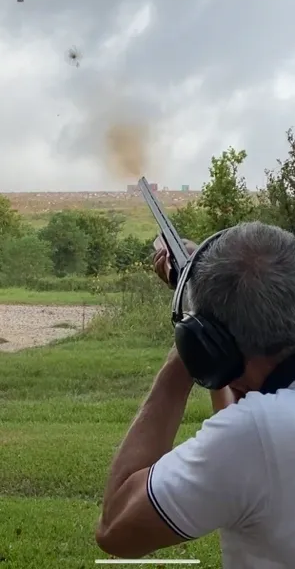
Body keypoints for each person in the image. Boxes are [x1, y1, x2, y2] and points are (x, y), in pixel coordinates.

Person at [96, 221, 295, 568]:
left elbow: (117, 528)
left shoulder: (259, 435)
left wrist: (187, 350)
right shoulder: (262, 430)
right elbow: (243, 426)